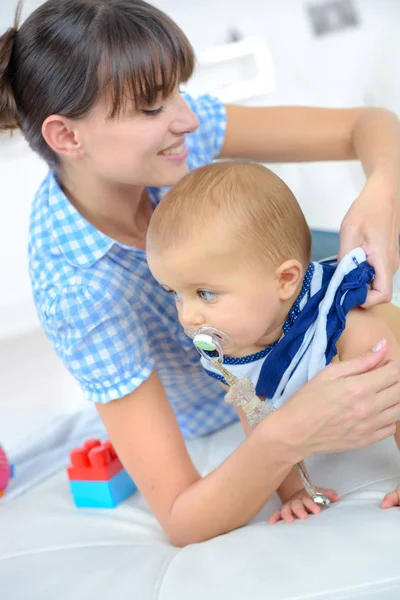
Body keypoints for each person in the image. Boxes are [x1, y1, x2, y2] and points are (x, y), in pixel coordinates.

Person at [0, 0, 399, 545]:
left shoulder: (175, 138)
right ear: (68, 137)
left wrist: (380, 193)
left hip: (288, 279)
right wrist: (286, 434)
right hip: (248, 372)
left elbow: (368, 124)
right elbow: (183, 518)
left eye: (178, 92)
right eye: (149, 107)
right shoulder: (78, 291)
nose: (186, 119)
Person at [146, 160, 400, 525]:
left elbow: (395, 392)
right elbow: (259, 419)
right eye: (175, 294)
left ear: (285, 280)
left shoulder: (345, 324)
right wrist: (294, 490)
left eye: (205, 293)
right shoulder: (231, 348)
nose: (188, 316)